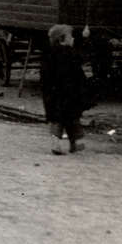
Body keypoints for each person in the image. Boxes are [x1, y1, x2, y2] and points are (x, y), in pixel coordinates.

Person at [41, 23, 91, 154]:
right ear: (62, 38)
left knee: (56, 119)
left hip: (54, 93)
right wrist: (85, 39)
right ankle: (76, 143)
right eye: (71, 36)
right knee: (72, 119)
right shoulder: (69, 52)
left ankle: (55, 143)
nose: (73, 38)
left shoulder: (50, 52)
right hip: (70, 93)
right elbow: (82, 58)